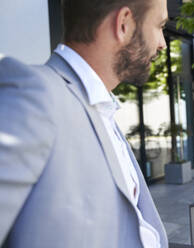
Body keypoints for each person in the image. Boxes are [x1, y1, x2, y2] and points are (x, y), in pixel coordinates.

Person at [0, 0, 168, 247]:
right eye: (159, 25)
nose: (162, 42)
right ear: (123, 24)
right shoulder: (34, 95)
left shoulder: (102, 108)